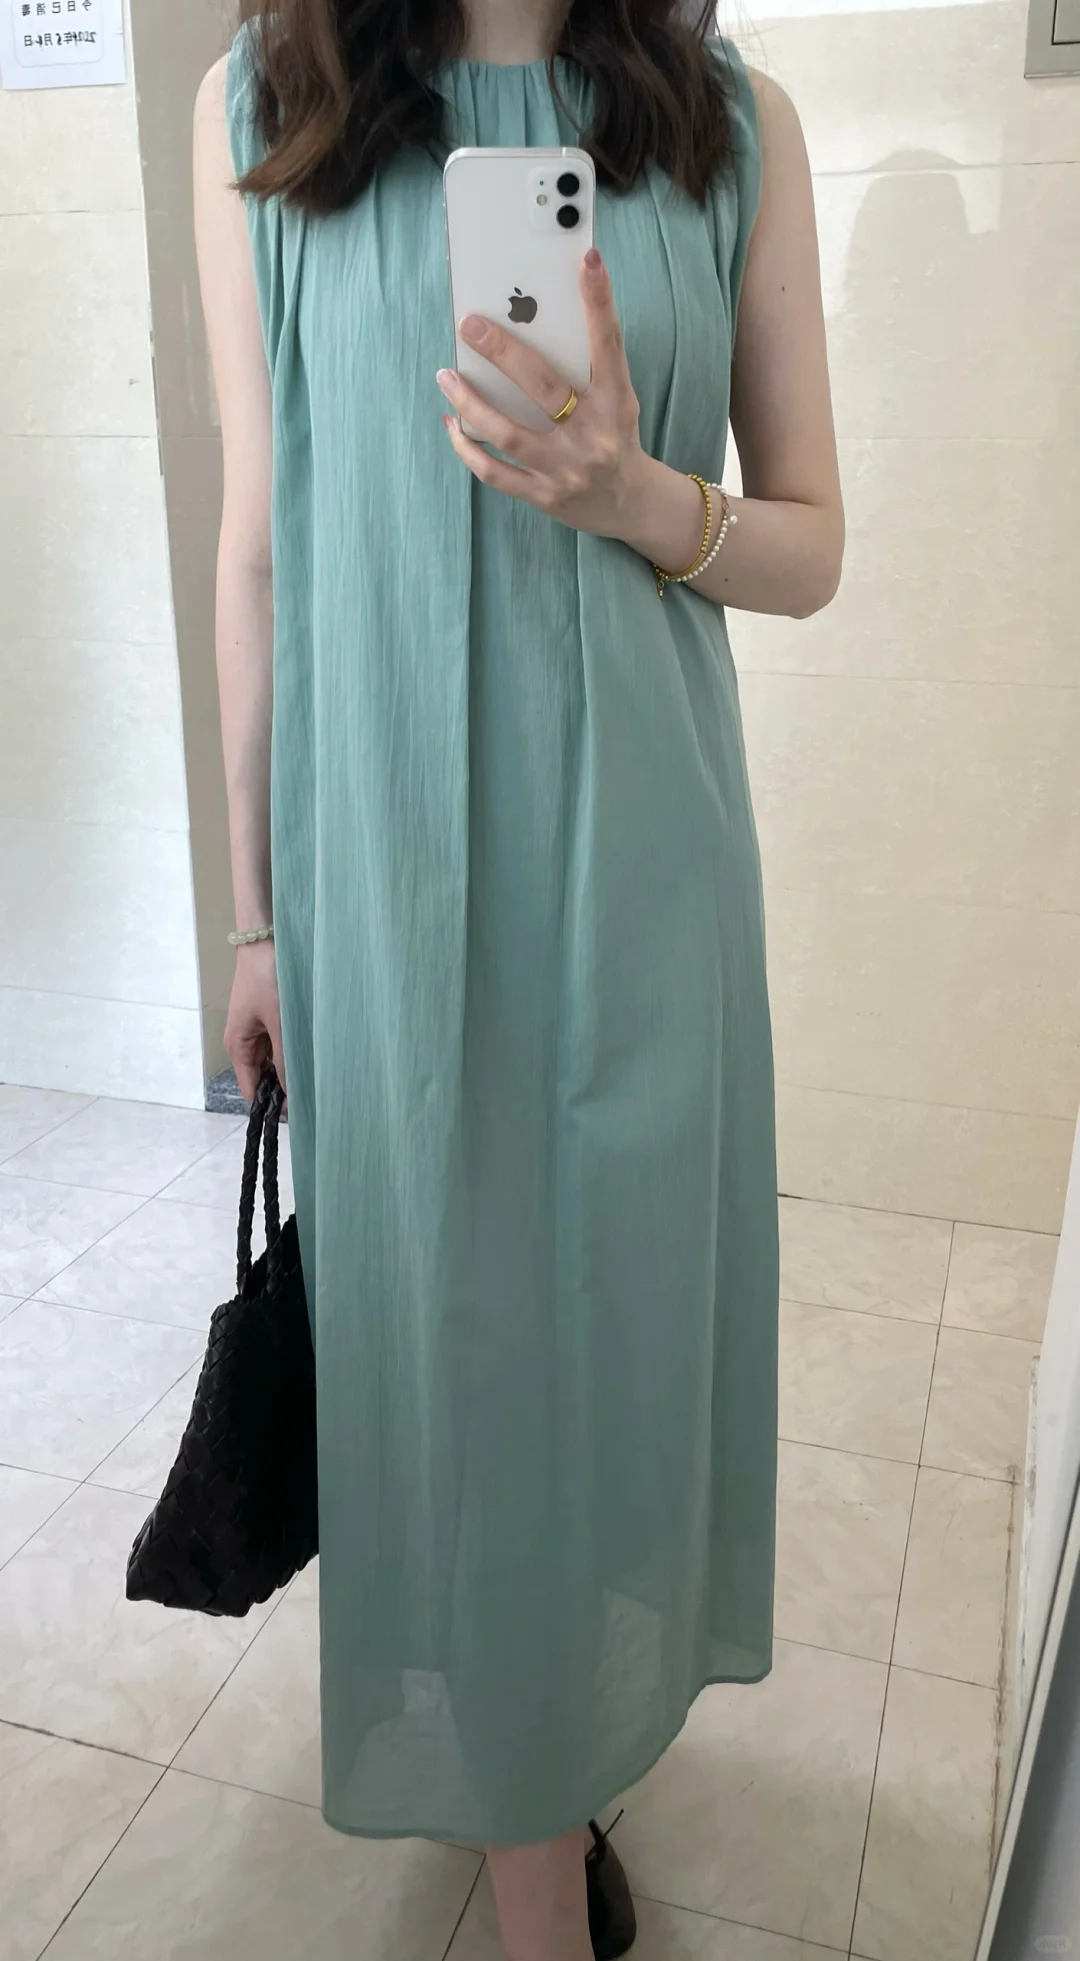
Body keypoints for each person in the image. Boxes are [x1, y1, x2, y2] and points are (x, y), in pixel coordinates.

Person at [193, 1, 842, 1956]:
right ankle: (534, 1851)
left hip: (643, 873)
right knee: (450, 1359)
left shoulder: (731, 124)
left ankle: (559, 1746)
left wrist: (634, 493)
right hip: (384, 877)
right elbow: (257, 545)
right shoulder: (266, 109)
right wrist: (255, 918)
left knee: (618, 1342)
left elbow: (811, 545)